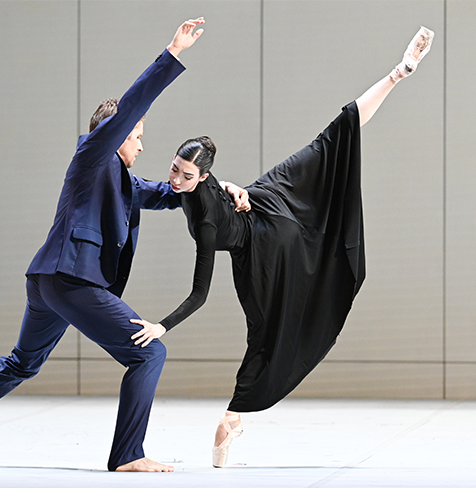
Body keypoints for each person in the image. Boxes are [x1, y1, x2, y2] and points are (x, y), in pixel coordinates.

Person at [0, 17, 249, 473]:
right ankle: (128, 454)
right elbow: (129, 111)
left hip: (48, 282)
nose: (140, 145)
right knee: (149, 351)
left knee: (23, 360)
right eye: (136, 137)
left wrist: (227, 188)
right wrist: (172, 54)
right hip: (71, 278)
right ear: (116, 136)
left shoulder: (121, 178)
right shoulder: (93, 154)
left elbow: (171, 191)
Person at [129, 26, 435, 467]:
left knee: (268, 338)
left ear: (203, 172)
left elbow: (200, 292)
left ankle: (233, 417)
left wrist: (162, 326)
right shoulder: (203, 193)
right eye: (174, 171)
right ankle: (398, 74)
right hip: (265, 201)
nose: (174, 180)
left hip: (265, 247)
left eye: (183, 174)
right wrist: (234, 188)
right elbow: (209, 202)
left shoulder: (207, 222)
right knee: (326, 144)